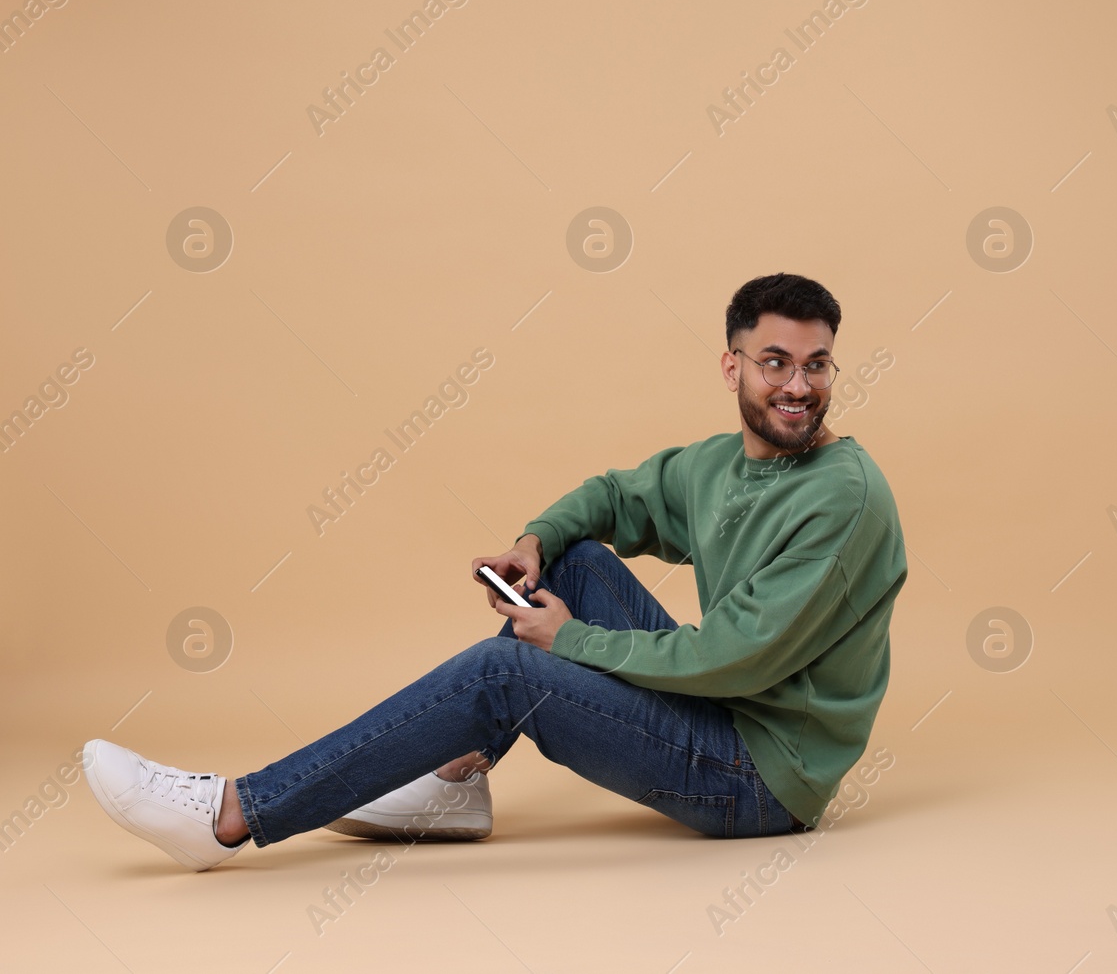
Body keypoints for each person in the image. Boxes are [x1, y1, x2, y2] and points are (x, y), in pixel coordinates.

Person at [83, 273, 909, 870]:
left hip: (761, 777)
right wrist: (537, 541)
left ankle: (231, 813)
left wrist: (571, 640)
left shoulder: (843, 497)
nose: (799, 386)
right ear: (732, 367)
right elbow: (619, 498)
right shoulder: (721, 463)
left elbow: (742, 656)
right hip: (727, 712)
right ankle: (453, 785)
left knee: (505, 670)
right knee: (580, 561)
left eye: (818, 365)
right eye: (776, 362)